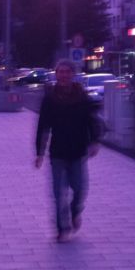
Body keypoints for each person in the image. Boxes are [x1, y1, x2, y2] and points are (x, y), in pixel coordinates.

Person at [35, 59, 102, 243]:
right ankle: (62, 229)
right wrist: (40, 152)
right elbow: (43, 126)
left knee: (80, 190)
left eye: (67, 71)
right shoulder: (50, 98)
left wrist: (95, 141)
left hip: (78, 151)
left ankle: (75, 212)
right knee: (59, 194)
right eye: (60, 72)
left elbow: (92, 120)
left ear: (73, 74)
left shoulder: (82, 97)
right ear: (56, 74)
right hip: (58, 152)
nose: (64, 75)